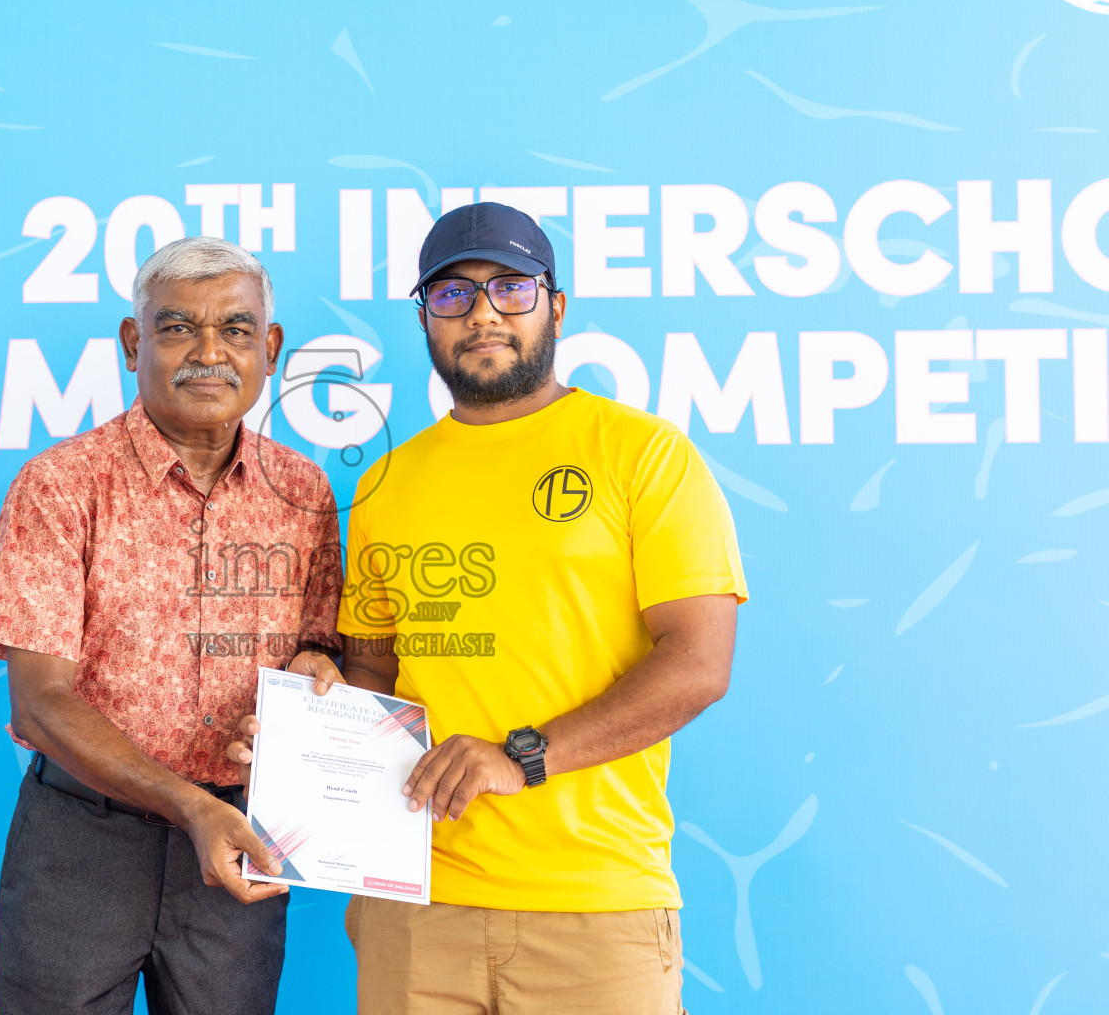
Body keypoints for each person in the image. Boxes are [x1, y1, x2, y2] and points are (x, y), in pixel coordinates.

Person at [233, 201, 748, 1014]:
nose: (482, 314)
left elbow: (698, 663)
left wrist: (523, 756)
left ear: (557, 306)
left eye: (511, 288)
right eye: (451, 295)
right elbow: (375, 669)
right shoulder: (385, 484)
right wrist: (312, 713)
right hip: (413, 905)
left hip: (594, 904)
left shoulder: (644, 454)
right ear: (424, 319)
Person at [0, 236, 342, 1015]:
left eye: (236, 330)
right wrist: (188, 804)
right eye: (179, 328)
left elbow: (318, 647)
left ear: (269, 349)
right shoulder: (59, 486)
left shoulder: (306, 494)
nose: (210, 352)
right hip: (82, 841)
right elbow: (38, 701)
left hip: (239, 847)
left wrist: (316, 673)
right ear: (134, 343)